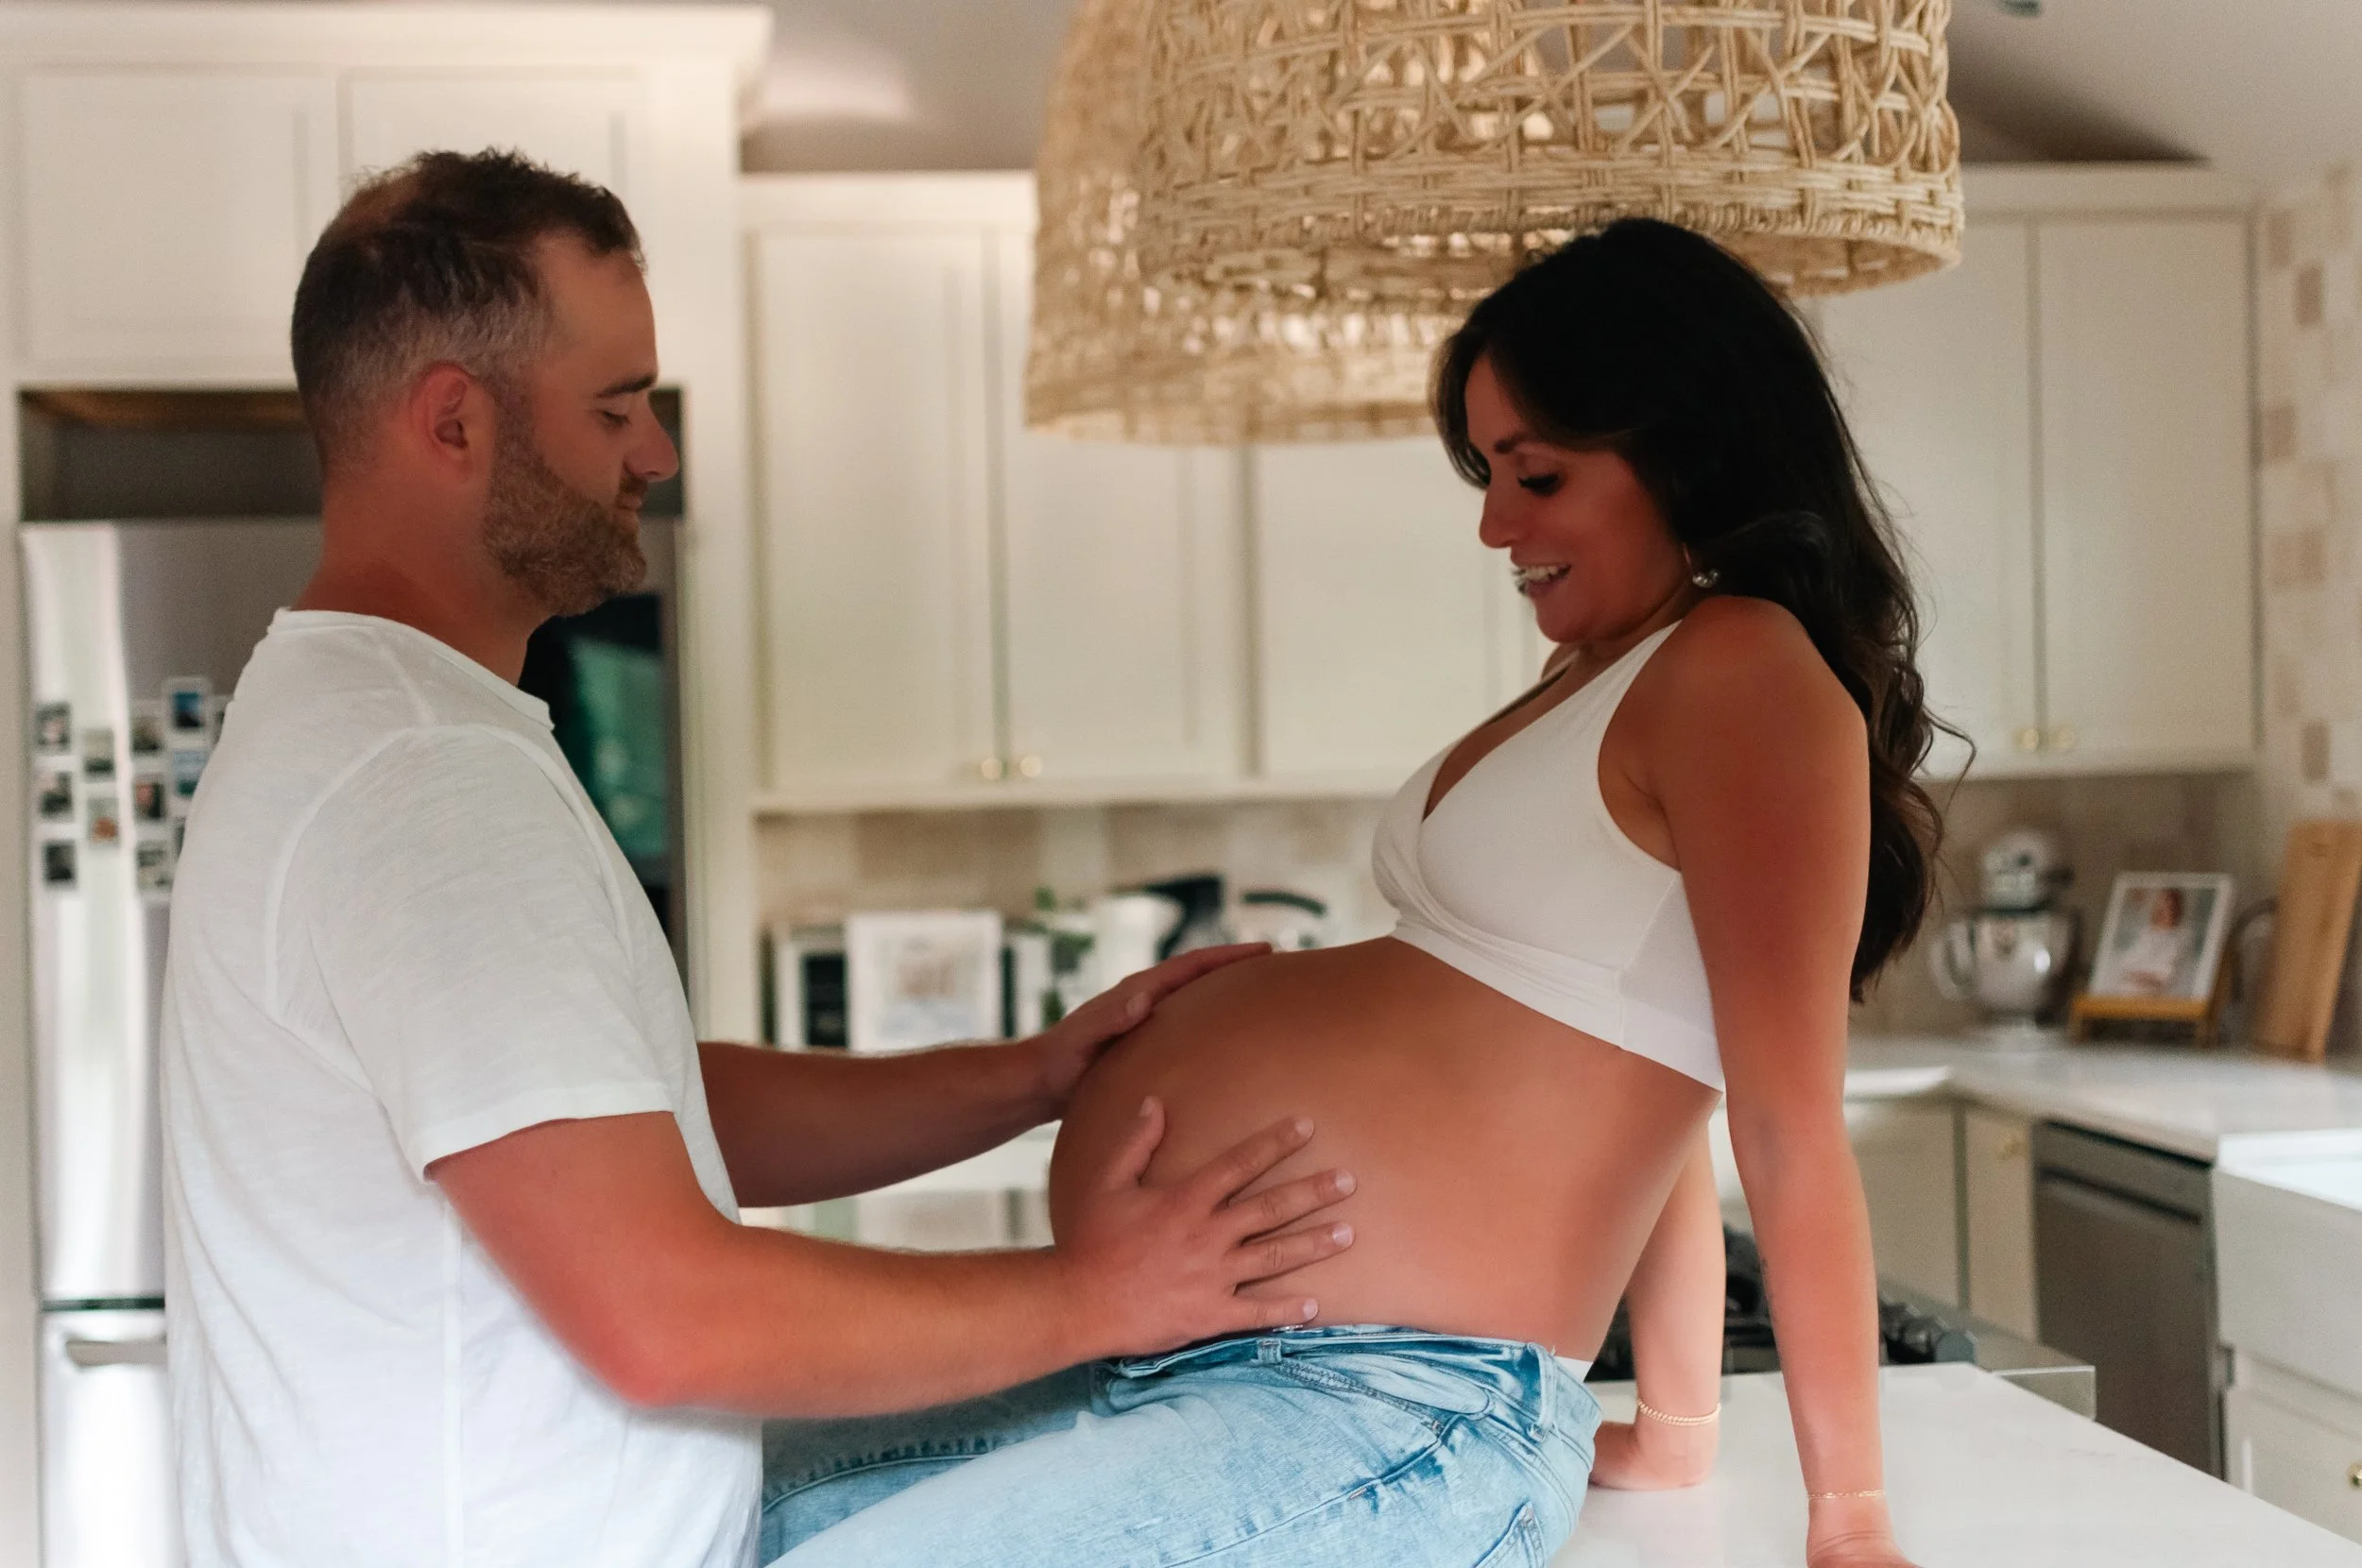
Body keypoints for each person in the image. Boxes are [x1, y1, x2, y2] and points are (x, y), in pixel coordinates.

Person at [159, 149, 1358, 1568]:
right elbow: (671, 1318)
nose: (655, 454)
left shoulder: (368, 722)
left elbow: (631, 1121)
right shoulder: (422, 775)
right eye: (615, 407)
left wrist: (1031, 1076)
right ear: (453, 424)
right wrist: (1108, 1293)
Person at [759, 218, 1945, 1568]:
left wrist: (1849, 1521)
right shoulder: (1607, 675)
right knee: (729, 1503)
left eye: (1537, 476)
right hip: (1199, 1357)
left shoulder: (1743, 671)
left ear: (1683, 448)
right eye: (1488, 475)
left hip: (1397, 1401)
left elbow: (1787, 1132)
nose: (1498, 526)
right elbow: (1649, 1062)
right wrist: (1677, 1423)